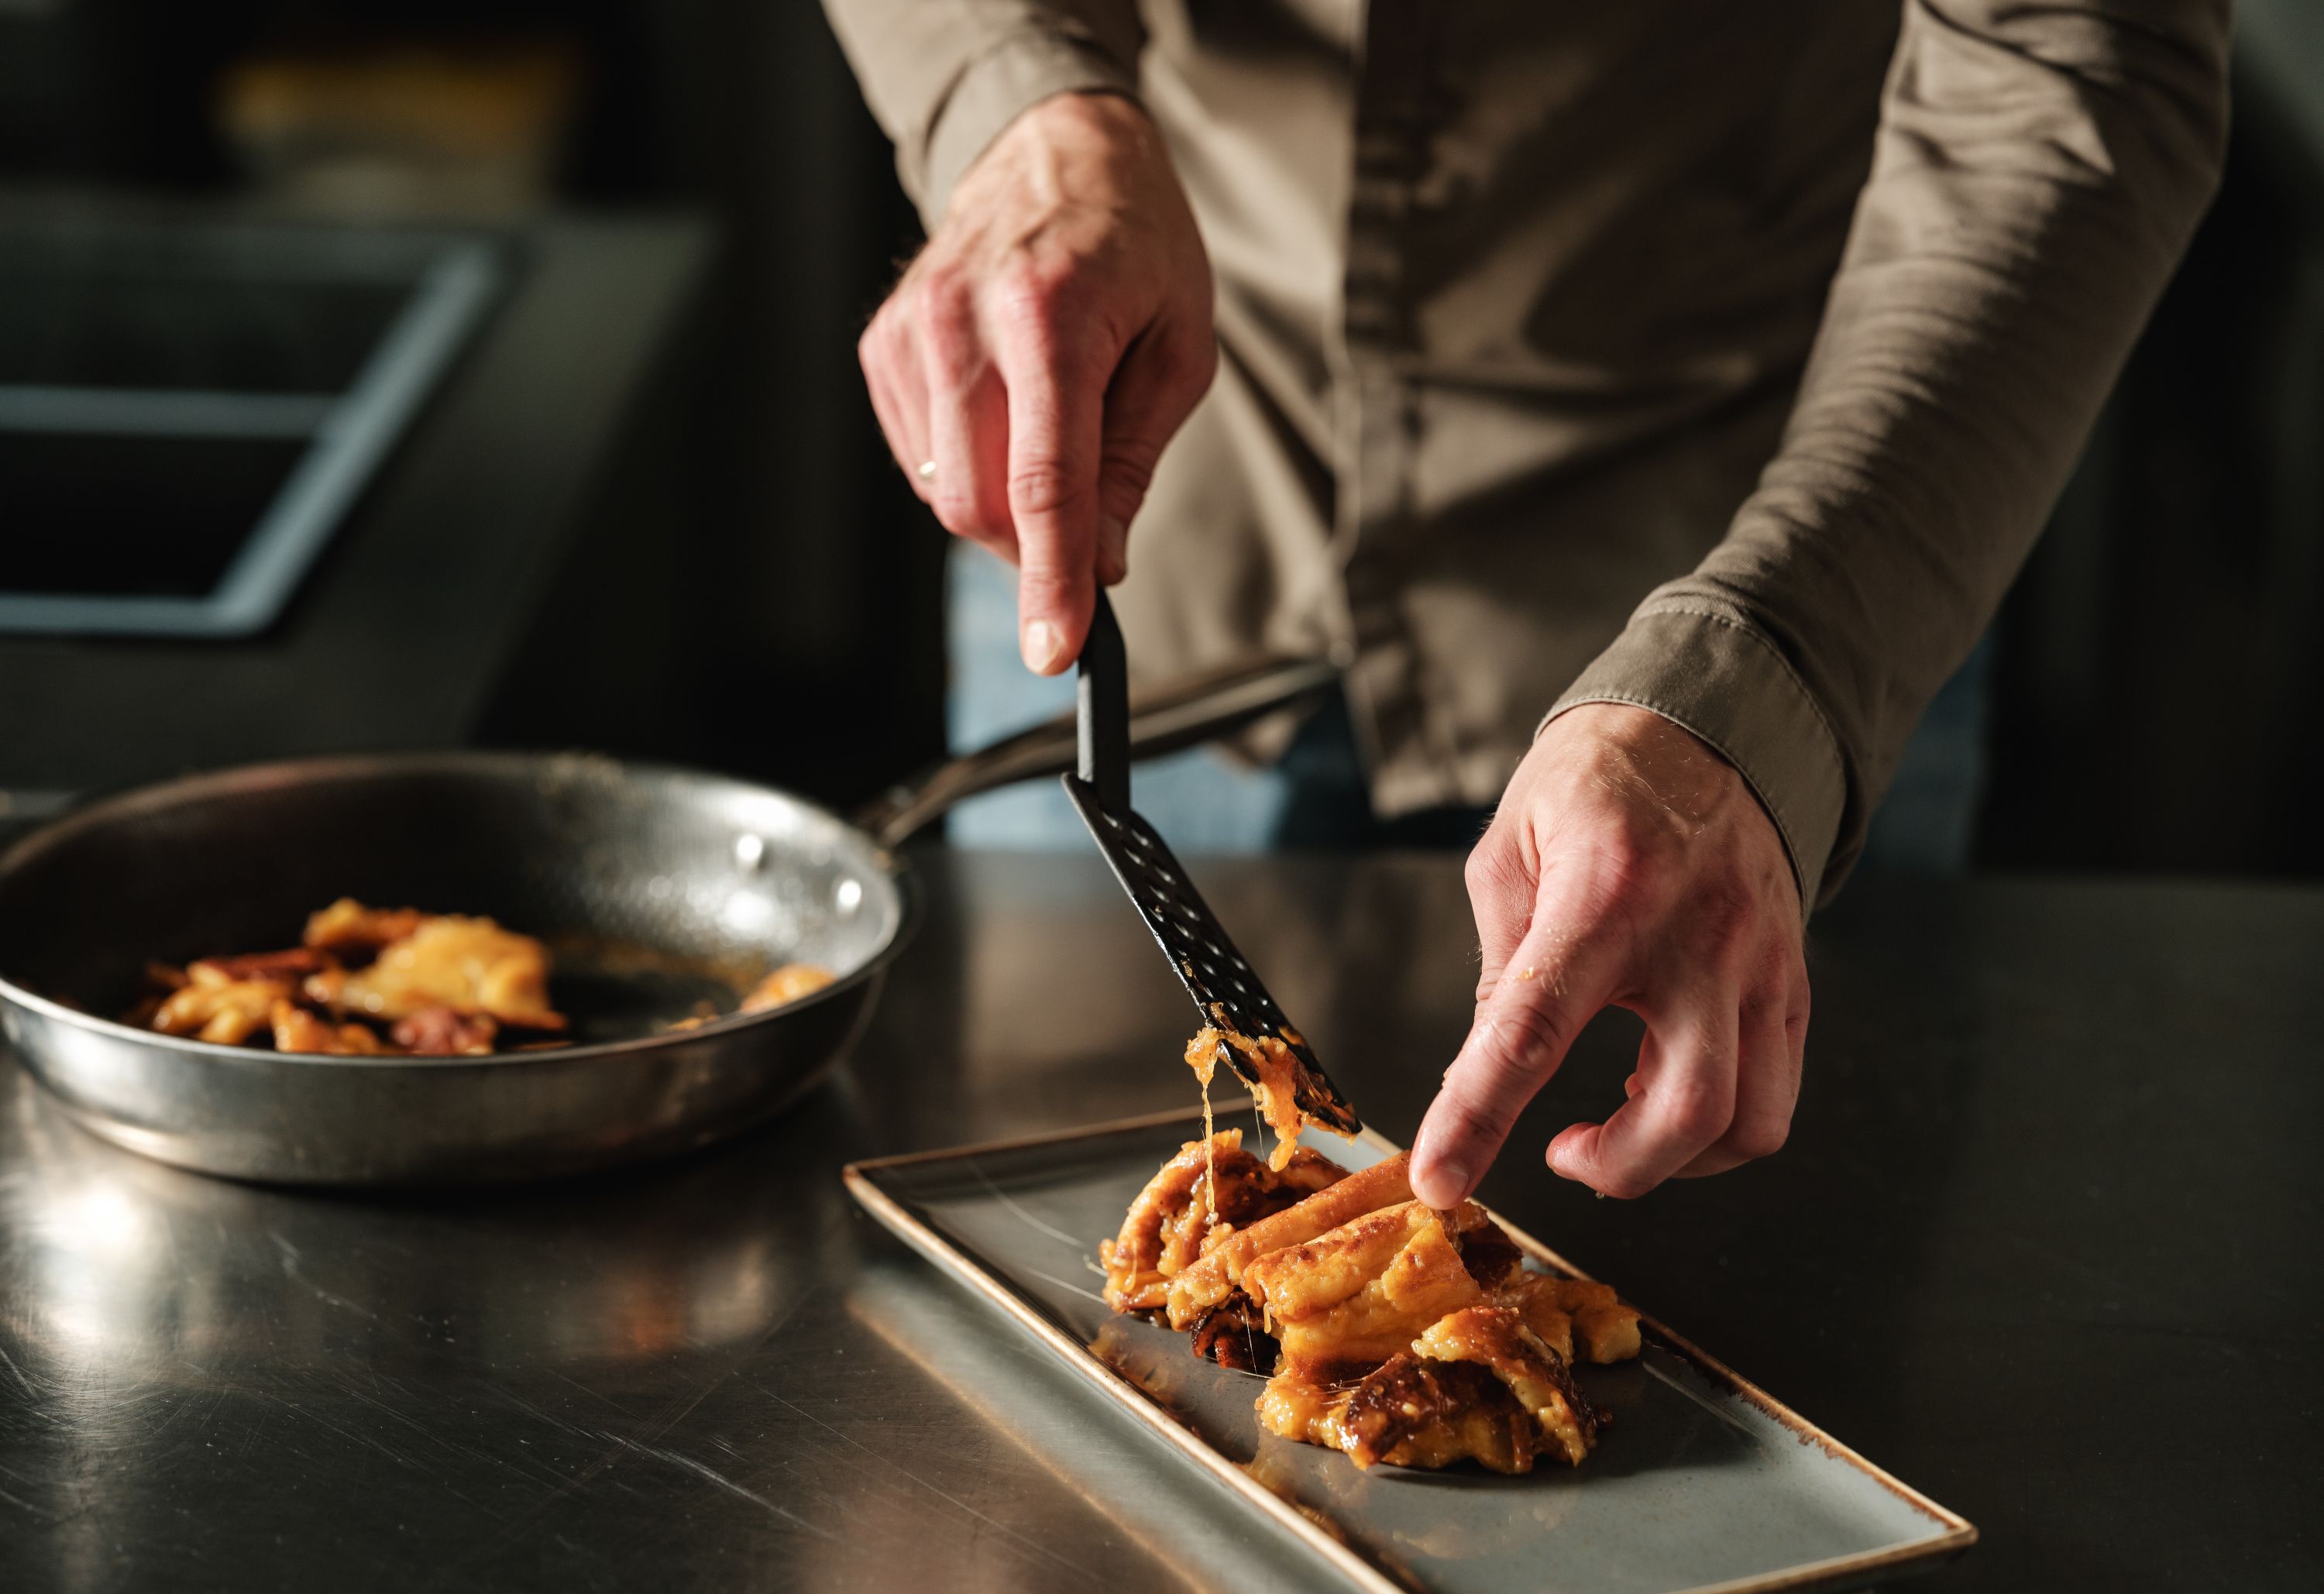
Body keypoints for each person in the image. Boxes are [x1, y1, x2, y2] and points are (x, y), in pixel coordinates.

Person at [821, 2, 2231, 1207]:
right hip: (1161, 509)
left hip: (1787, 575)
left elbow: (2071, 61)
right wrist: (1019, 96)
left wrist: (1772, 675)